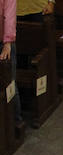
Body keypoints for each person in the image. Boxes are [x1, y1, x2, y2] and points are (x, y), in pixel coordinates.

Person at [2, 0, 21, 129]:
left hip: (5, 43)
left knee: (10, 82)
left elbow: (9, 15)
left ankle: (16, 121)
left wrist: (7, 42)